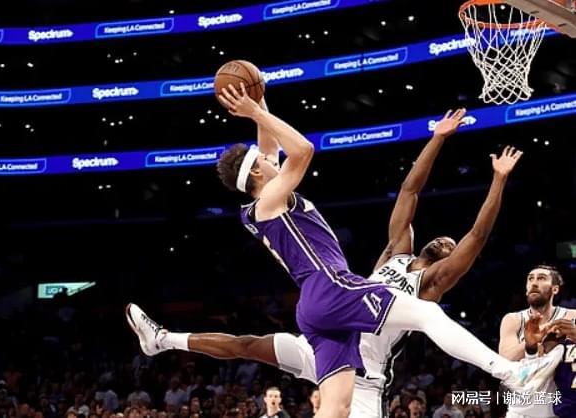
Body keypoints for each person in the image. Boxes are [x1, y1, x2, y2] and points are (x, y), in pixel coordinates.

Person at [127, 85, 559, 418]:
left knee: (330, 407)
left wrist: (260, 101)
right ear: (258, 173)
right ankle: (511, 372)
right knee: (427, 315)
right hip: (331, 287)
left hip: (325, 316)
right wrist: (257, 112)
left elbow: (268, 149)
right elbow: (303, 150)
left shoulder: (262, 201)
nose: (273, 159)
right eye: (266, 161)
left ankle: (164, 340)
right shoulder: (273, 198)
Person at [499, 265, 575, 418]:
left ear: (555, 289)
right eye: (530, 279)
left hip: (560, 408)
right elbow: (505, 360)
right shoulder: (514, 319)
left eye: (541, 278)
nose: (534, 283)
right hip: (522, 409)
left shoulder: (571, 316)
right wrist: (531, 342)